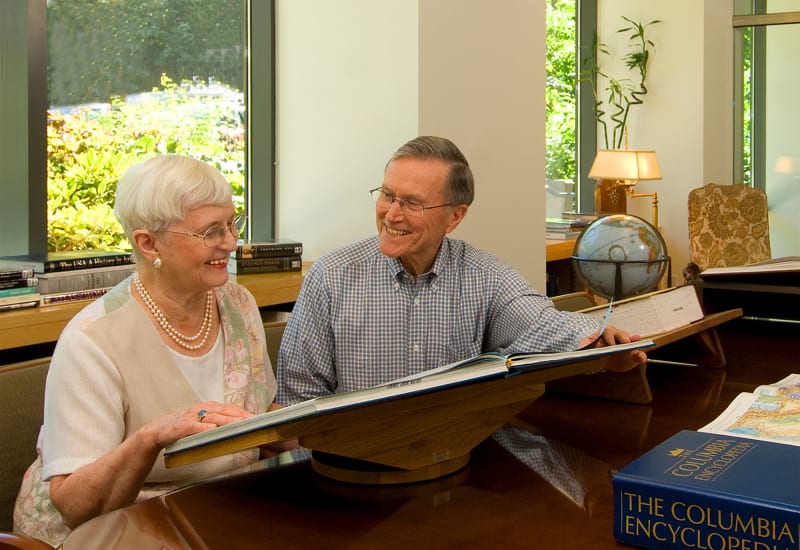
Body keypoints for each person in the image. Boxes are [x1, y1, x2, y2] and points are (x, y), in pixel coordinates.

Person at [14, 155, 292, 546]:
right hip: (112, 530)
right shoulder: (92, 340)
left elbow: (255, 414)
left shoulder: (237, 302)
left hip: (216, 511)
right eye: (211, 231)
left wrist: (323, 429)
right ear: (148, 243)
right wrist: (150, 438)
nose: (230, 243)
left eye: (232, 223)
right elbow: (75, 506)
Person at [278, 135, 647, 404]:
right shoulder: (332, 275)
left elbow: (539, 321)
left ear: (455, 216)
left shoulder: (483, 275)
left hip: (453, 463)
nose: (391, 213)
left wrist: (598, 339)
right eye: (388, 195)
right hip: (351, 472)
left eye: (412, 203)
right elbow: (298, 396)